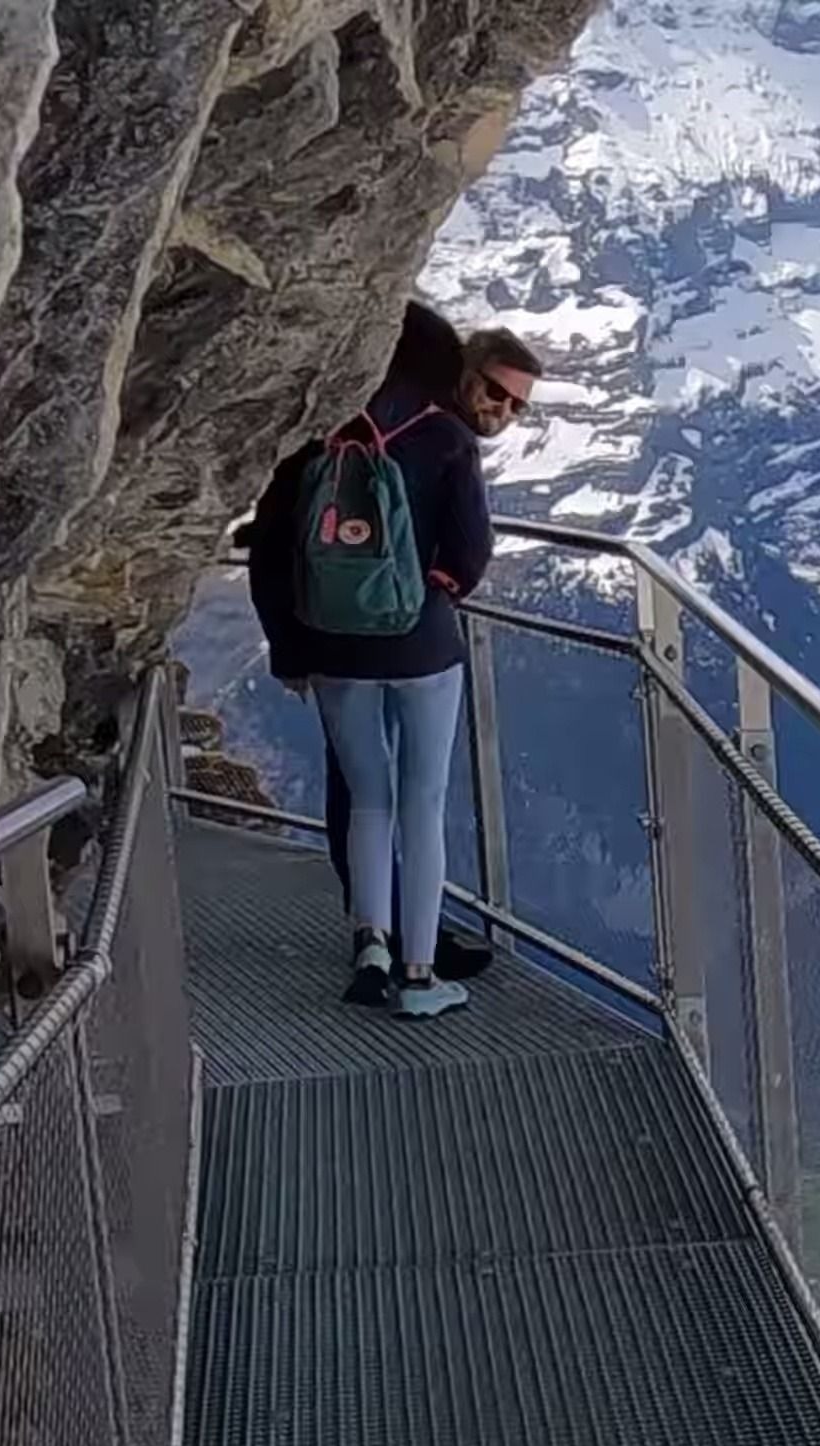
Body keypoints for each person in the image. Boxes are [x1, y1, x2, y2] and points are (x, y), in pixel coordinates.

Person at [246, 311, 537, 1015]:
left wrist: (290, 644)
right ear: (465, 373)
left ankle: (370, 950)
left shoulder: (332, 427)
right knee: (421, 808)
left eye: (518, 406)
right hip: (422, 648)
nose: (503, 411)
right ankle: (418, 976)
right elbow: (470, 552)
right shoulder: (447, 439)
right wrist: (439, 595)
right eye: (498, 393)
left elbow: (272, 545)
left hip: (331, 646)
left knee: (367, 803)